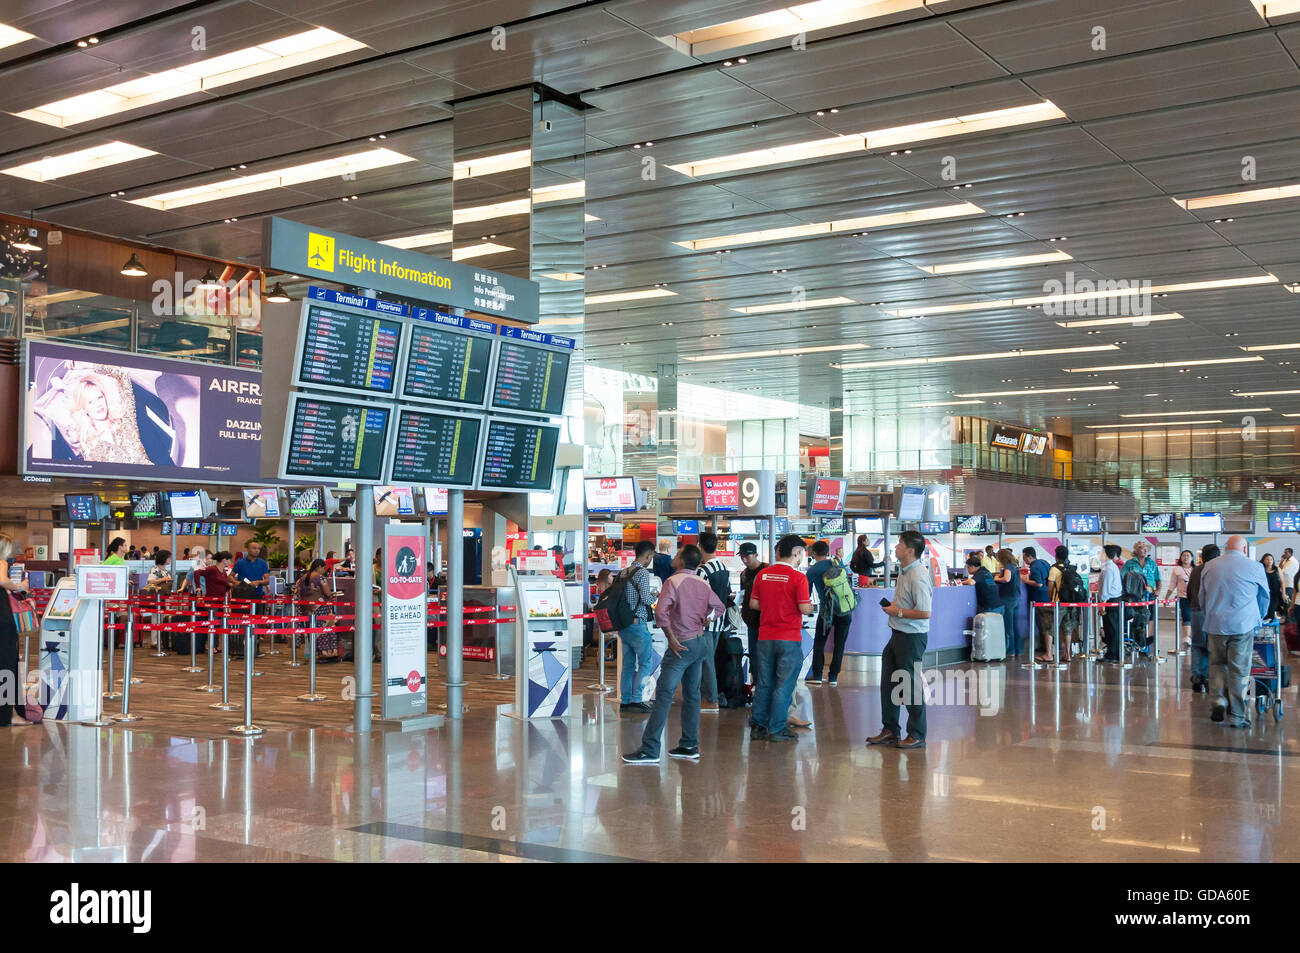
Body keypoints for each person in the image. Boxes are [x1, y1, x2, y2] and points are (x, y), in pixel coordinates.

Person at [622, 545, 724, 764]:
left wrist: (671, 638)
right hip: (699, 644)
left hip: (681, 646)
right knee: (692, 694)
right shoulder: (702, 583)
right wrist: (706, 619)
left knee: (664, 695)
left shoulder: (672, 581)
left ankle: (649, 749)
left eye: (677, 555)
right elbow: (719, 607)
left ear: (682, 561)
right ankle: (689, 744)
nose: (674, 557)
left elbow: (660, 612)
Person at [866, 530, 933, 750]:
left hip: (912, 638)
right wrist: (896, 613)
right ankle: (891, 729)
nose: (895, 547)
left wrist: (898, 612)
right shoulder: (905, 572)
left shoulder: (918, 575)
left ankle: (917, 733)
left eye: (899, 544)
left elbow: (925, 612)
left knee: (910, 685)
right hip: (897, 635)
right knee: (889, 683)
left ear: (910, 550)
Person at [747, 534, 814, 743]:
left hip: (765, 637)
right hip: (789, 638)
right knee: (783, 685)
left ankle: (758, 726)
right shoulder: (798, 578)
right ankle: (776, 729)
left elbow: (754, 605)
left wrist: (773, 606)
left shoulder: (763, 575)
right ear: (796, 553)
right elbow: (804, 607)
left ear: (778, 552)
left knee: (764, 683)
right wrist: (811, 608)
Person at [1200, 535, 1270, 729]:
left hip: (1215, 624)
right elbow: (1264, 597)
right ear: (1245, 549)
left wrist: (1211, 615)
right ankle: (1238, 715)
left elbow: (1202, 597)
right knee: (1239, 670)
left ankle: (1218, 702)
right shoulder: (1255, 567)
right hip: (1242, 625)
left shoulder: (1210, 566)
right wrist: (1259, 618)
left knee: (1217, 664)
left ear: (1225, 548)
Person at [694, 531, 732, 714]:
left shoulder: (702, 571)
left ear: (700, 547)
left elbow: (698, 598)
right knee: (709, 659)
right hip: (720, 621)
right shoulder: (723, 568)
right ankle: (706, 696)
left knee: (706, 661)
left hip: (706, 622)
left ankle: (711, 699)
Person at [616, 541, 656, 714]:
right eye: (651, 557)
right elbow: (646, 600)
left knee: (628, 665)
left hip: (623, 625)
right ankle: (637, 699)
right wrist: (655, 596)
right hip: (637, 625)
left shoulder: (623, 572)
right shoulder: (642, 573)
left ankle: (625, 701)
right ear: (647, 556)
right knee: (646, 662)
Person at [805, 539, 850, 686]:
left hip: (826, 611)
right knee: (839, 644)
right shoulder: (837, 563)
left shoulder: (813, 570)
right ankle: (833, 678)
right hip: (844, 610)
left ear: (814, 553)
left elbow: (806, 593)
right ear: (827, 552)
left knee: (819, 643)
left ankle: (817, 676)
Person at [0, 533, 28, 727]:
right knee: (7, 665)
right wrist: (19, 586)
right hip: (3, 621)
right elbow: (2, 581)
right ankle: (8, 714)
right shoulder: (1, 562)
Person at [1187, 544, 1219, 692]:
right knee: (1212, 646)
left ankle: (1196, 675)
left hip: (1195, 610)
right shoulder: (1216, 570)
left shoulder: (1195, 570)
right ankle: (1206, 677)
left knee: (1197, 645)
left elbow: (1189, 592)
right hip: (1211, 611)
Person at [1045, 545, 1081, 661]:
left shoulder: (1054, 569)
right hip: (1070, 603)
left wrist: (1051, 598)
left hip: (1058, 603)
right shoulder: (1071, 568)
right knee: (1067, 629)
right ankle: (1068, 655)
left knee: (1050, 628)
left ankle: (1049, 654)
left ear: (1056, 556)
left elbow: (1050, 586)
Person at [737, 542, 766, 691]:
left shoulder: (766, 571)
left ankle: (763, 687)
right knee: (754, 656)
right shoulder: (744, 574)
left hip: (765, 622)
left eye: (747, 556)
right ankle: (756, 686)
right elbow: (744, 595)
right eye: (742, 557)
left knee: (764, 657)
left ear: (756, 555)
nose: (745, 560)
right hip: (751, 622)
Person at [1122, 540, 1160, 650]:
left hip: (1150, 594)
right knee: (1136, 616)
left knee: (1150, 617)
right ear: (1136, 550)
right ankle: (1137, 639)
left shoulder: (1152, 563)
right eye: (1141, 548)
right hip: (1134, 595)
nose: (1144, 550)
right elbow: (1122, 577)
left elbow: (1158, 579)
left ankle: (1147, 640)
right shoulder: (1129, 564)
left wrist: (1158, 590)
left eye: (1145, 548)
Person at [993, 548, 1023, 656]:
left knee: (1008, 625)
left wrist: (996, 578)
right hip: (1016, 598)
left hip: (1008, 599)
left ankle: (1010, 650)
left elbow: (1006, 579)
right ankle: (1018, 649)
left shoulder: (1008, 567)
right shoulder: (1014, 566)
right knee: (1015, 625)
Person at [1163, 549, 1195, 648]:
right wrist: (1167, 597)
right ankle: (1186, 637)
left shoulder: (1196, 569)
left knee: (1195, 617)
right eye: (1183, 555)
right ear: (1180, 558)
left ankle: (1193, 637)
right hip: (1183, 597)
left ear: (1192, 558)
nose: (1185, 557)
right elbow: (1172, 584)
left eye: (1188, 555)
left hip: (1195, 597)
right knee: (1186, 616)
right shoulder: (1177, 569)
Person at [1022, 546, 1050, 656]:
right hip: (1047, 596)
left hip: (1039, 598)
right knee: (1046, 623)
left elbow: (1039, 583)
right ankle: (1046, 647)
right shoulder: (1043, 562)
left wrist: (1025, 580)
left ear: (1029, 556)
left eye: (1024, 557)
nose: (1024, 560)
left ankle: (1045, 648)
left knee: (1042, 623)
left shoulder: (1035, 567)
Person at [1099, 544, 1124, 662]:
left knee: (1112, 628)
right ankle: (1111, 653)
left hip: (1111, 601)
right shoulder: (1110, 567)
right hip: (1111, 600)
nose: (1100, 555)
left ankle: (1113, 655)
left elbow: (1106, 588)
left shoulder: (1109, 568)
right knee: (1110, 627)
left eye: (1102, 553)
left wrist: (1102, 604)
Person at [1261, 553, 1283, 621]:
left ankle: (1271, 628)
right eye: (1267, 559)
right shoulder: (1261, 569)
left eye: (1271, 559)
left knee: (1271, 611)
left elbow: (1282, 582)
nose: (1269, 561)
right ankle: (1265, 628)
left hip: (1275, 594)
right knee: (1265, 612)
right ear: (1263, 560)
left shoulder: (1277, 569)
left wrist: (1284, 593)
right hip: (1264, 594)